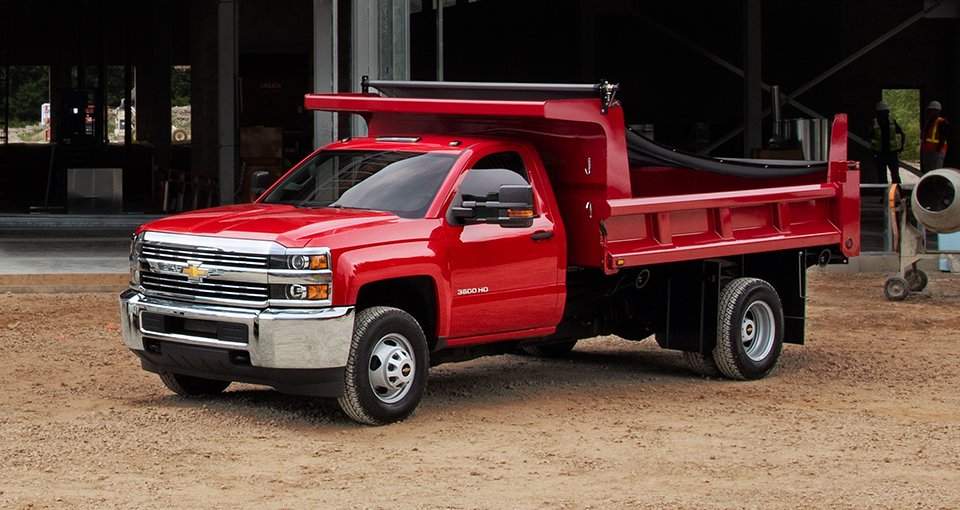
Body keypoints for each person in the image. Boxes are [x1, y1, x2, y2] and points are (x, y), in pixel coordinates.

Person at [870, 101, 906, 185]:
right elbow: (867, 136)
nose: (884, 114)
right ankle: (884, 195)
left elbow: (902, 133)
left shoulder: (892, 122)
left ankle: (897, 195)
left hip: (891, 153)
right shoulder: (874, 123)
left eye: (885, 112)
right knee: (882, 177)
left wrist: (901, 146)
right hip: (879, 153)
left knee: (895, 176)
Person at [921, 100, 949, 173]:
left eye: (931, 110)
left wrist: (937, 151)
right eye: (929, 110)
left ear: (937, 111)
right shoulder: (928, 122)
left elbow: (943, 138)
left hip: (936, 152)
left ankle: (936, 184)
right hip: (927, 152)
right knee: (928, 173)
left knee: (936, 172)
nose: (929, 112)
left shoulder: (941, 122)